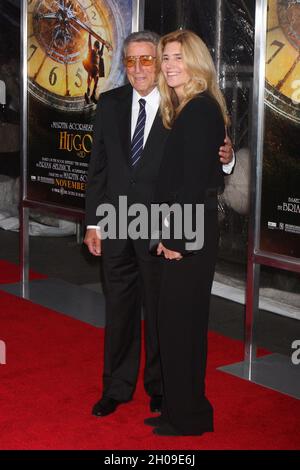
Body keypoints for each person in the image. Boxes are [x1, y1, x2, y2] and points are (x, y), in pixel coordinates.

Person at [84, 30, 234, 419]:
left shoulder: (179, 104)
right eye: (131, 61)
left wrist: (227, 155)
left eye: (148, 59)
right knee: (119, 311)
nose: (139, 69)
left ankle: (160, 388)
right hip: (116, 222)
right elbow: (97, 169)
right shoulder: (109, 103)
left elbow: (199, 163)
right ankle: (116, 387)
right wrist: (93, 223)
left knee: (159, 310)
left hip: (159, 223)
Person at [144, 29, 230, 436]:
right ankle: (180, 410)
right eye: (165, 58)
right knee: (177, 323)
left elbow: (194, 183)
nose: (169, 66)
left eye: (178, 57)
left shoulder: (198, 110)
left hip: (190, 231)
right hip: (188, 226)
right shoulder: (190, 107)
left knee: (181, 325)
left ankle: (189, 417)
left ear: (196, 62)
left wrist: (177, 240)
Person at [83, 33, 106, 104]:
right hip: (91, 68)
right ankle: (88, 93)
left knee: (96, 80)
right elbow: (89, 44)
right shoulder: (91, 51)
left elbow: (102, 50)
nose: (96, 48)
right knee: (89, 78)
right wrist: (89, 35)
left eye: (97, 47)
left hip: (96, 71)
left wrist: (103, 44)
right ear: (94, 46)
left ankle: (93, 95)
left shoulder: (99, 53)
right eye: (96, 47)